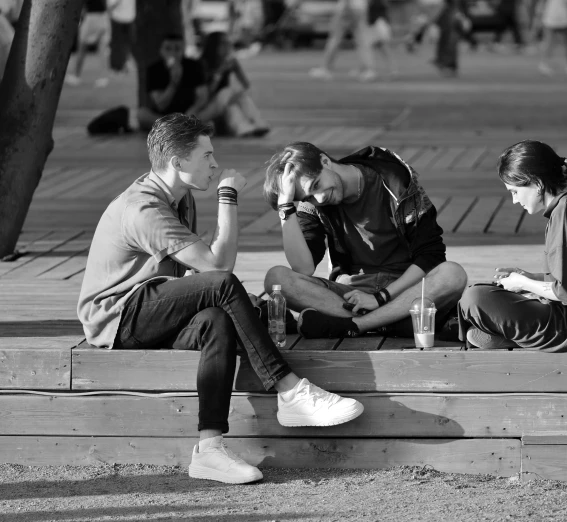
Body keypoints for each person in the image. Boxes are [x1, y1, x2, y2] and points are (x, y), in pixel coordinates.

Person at [76, 114, 364, 484]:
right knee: (223, 286)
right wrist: (228, 196)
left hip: (148, 307)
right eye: (206, 156)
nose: (215, 164)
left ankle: (209, 449)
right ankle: (291, 390)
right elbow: (217, 267)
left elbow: (203, 271)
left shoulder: (179, 198)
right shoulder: (144, 208)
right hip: (117, 314)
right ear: (178, 163)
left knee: (218, 319)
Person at [261, 142, 468, 339]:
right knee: (276, 279)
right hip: (350, 296)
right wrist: (285, 208)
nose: (320, 198)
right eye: (309, 197)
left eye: (317, 185)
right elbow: (303, 268)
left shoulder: (394, 181)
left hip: (404, 290)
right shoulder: (313, 206)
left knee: (453, 274)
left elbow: (431, 255)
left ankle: (358, 325)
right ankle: (390, 323)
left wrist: (380, 298)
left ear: (325, 161)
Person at [458, 140, 567, 351]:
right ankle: (511, 336)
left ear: (537, 184)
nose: (514, 200)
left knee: (475, 298)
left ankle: (511, 335)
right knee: (491, 294)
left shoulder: (566, 215)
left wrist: (524, 283)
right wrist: (529, 277)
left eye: (515, 191)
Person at [200, 31, 270, 137]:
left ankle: (252, 126)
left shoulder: (230, 62)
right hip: (207, 107)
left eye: (228, 43)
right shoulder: (202, 64)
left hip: (223, 104)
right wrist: (220, 72)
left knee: (235, 102)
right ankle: (247, 127)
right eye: (223, 43)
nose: (227, 47)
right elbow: (206, 94)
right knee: (226, 91)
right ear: (214, 45)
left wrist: (237, 68)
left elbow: (246, 85)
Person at [309, 0, 376, 82]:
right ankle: (368, 70)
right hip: (361, 8)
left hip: (347, 8)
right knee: (362, 41)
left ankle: (325, 68)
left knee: (335, 39)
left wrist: (348, 6)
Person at [65, 0, 111, 87]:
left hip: (92, 16)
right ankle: (103, 77)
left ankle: (76, 75)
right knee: (102, 49)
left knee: (82, 47)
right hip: (104, 16)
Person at [538, 0, 567, 75]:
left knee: (549, 43)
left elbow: (541, 4)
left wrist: (540, 14)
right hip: (563, 19)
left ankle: (544, 64)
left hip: (551, 18)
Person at [433, 0, 470, 77]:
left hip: (455, 12)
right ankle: (446, 62)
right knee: (449, 28)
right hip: (450, 12)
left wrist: (464, 16)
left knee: (451, 28)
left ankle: (447, 63)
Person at [366, 0, 397, 77]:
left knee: (383, 47)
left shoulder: (377, 3)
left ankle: (391, 69)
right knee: (380, 48)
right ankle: (391, 69)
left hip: (378, 24)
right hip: (377, 24)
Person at [107, 0, 135, 76]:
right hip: (117, 18)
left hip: (130, 18)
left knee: (129, 43)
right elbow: (110, 6)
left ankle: (126, 63)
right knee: (117, 44)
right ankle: (116, 66)